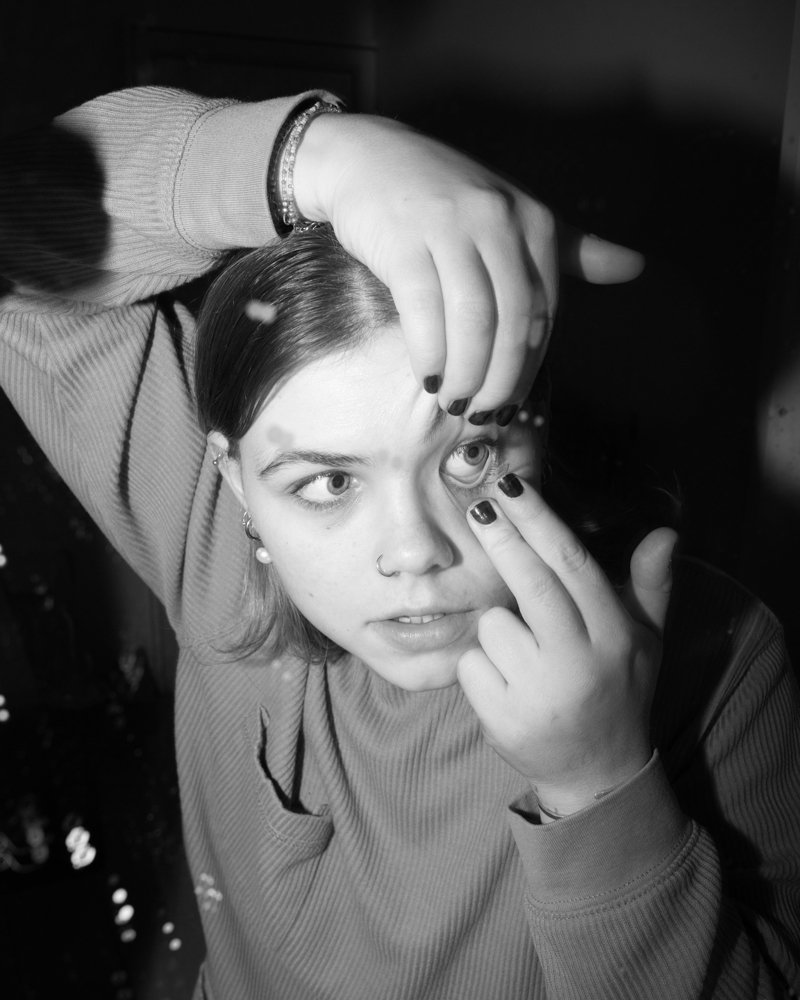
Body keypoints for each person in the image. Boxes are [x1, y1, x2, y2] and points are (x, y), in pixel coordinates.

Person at [0, 87, 798, 999]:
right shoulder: (218, 550)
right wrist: (319, 160)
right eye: (328, 482)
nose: (412, 553)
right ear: (237, 487)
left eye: (470, 455)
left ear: (536, 432)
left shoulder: (716, 655)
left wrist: (602, 787)